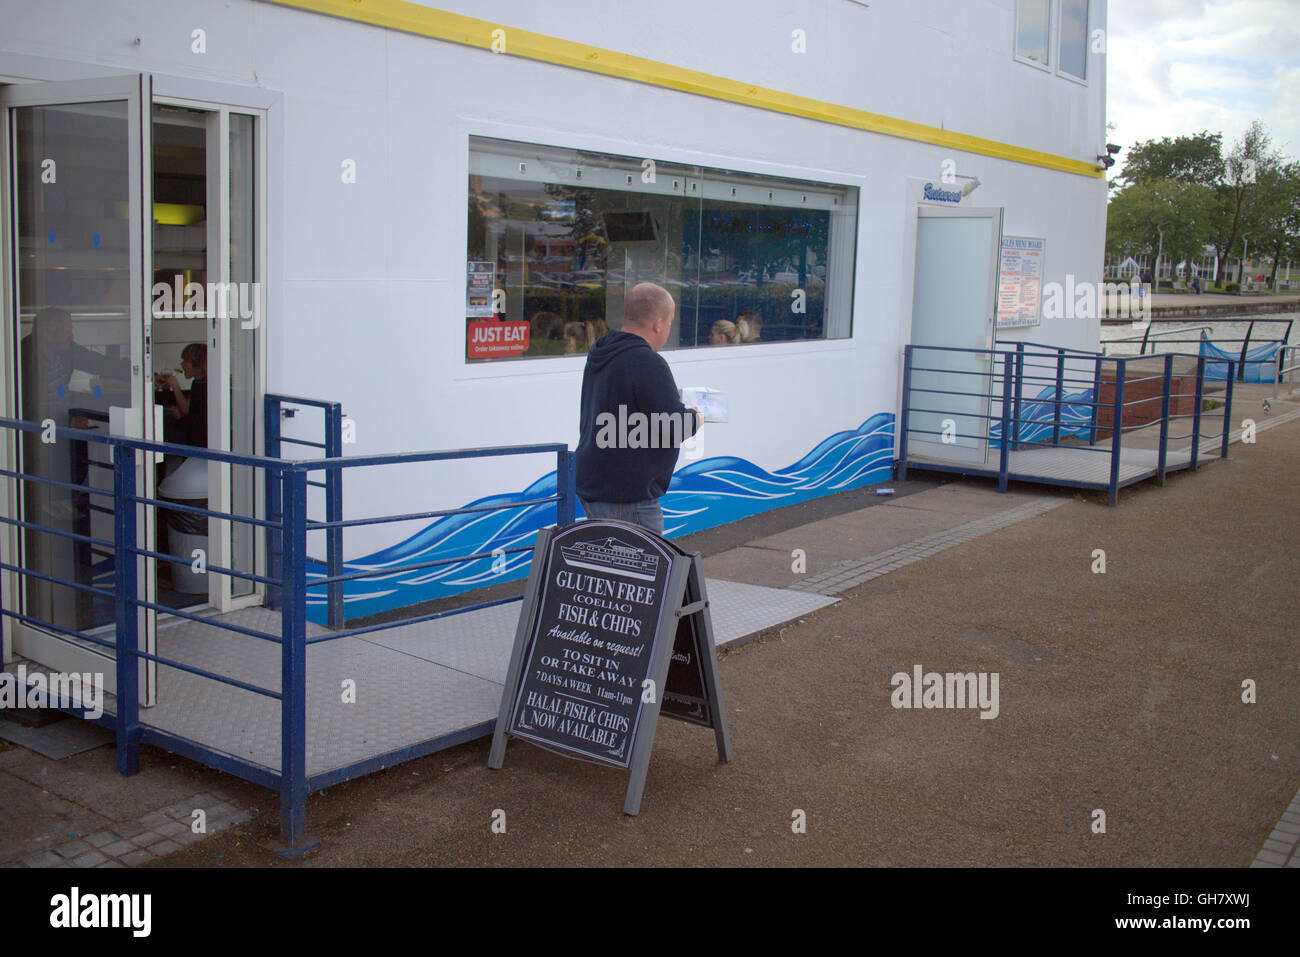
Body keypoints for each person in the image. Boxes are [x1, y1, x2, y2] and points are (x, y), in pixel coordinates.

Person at [575, 282, 701, 535]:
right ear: (657, 323)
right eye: (669, 321)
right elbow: (673, 426)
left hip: (596, 484)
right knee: (645, 571)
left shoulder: (602, 351)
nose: (668, 328)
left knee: (609, 568)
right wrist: (696, 418)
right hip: (627, 497)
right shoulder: (646, 361)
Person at [155, 343, 208, 448]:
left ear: (197, 364)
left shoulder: (203, 385)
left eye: (185, 361)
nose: (182, 364)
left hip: (197, 439)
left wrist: (175, 385)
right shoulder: (199, 382)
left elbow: (186, 409)